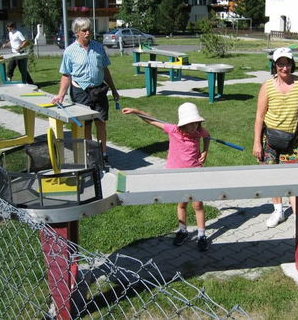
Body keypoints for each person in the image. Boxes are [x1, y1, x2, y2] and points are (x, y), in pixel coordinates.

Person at [253, 47, 298, 228]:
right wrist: (257, 143)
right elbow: (259, 116)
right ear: (275, 65)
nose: (284, 68)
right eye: (280, 64)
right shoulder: (267, 86)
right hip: (270, 140)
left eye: (287, 64)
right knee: (271, 177)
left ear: (292, 64)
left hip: (293, 140)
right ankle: (278, 211)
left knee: (294, 179)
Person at [121, 103, 211, 252]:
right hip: (177, 175)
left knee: (198, 205)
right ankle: (183, 230)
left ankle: (201, 235)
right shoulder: (173, 130)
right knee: (182, 204)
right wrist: (136, 111)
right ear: (183, 123)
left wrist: (205, 152)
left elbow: (207, 136)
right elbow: (151, 120)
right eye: (191, 123)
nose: (194, 126)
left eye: (196, 122)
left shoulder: (199, 131)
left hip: (195, 173)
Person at [52, 17, 120, 163]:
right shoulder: (70, 51)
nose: (88, 32)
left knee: (101, 122)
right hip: (81, 92)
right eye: (84, 30)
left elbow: (105, 69)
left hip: (99, 90)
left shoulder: (98, 47)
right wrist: (60, 95)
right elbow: (66, 74)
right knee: (86, 125)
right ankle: (90, 154)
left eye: (89, 29)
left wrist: (114, 90)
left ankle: (103, 154)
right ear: (77, 32)